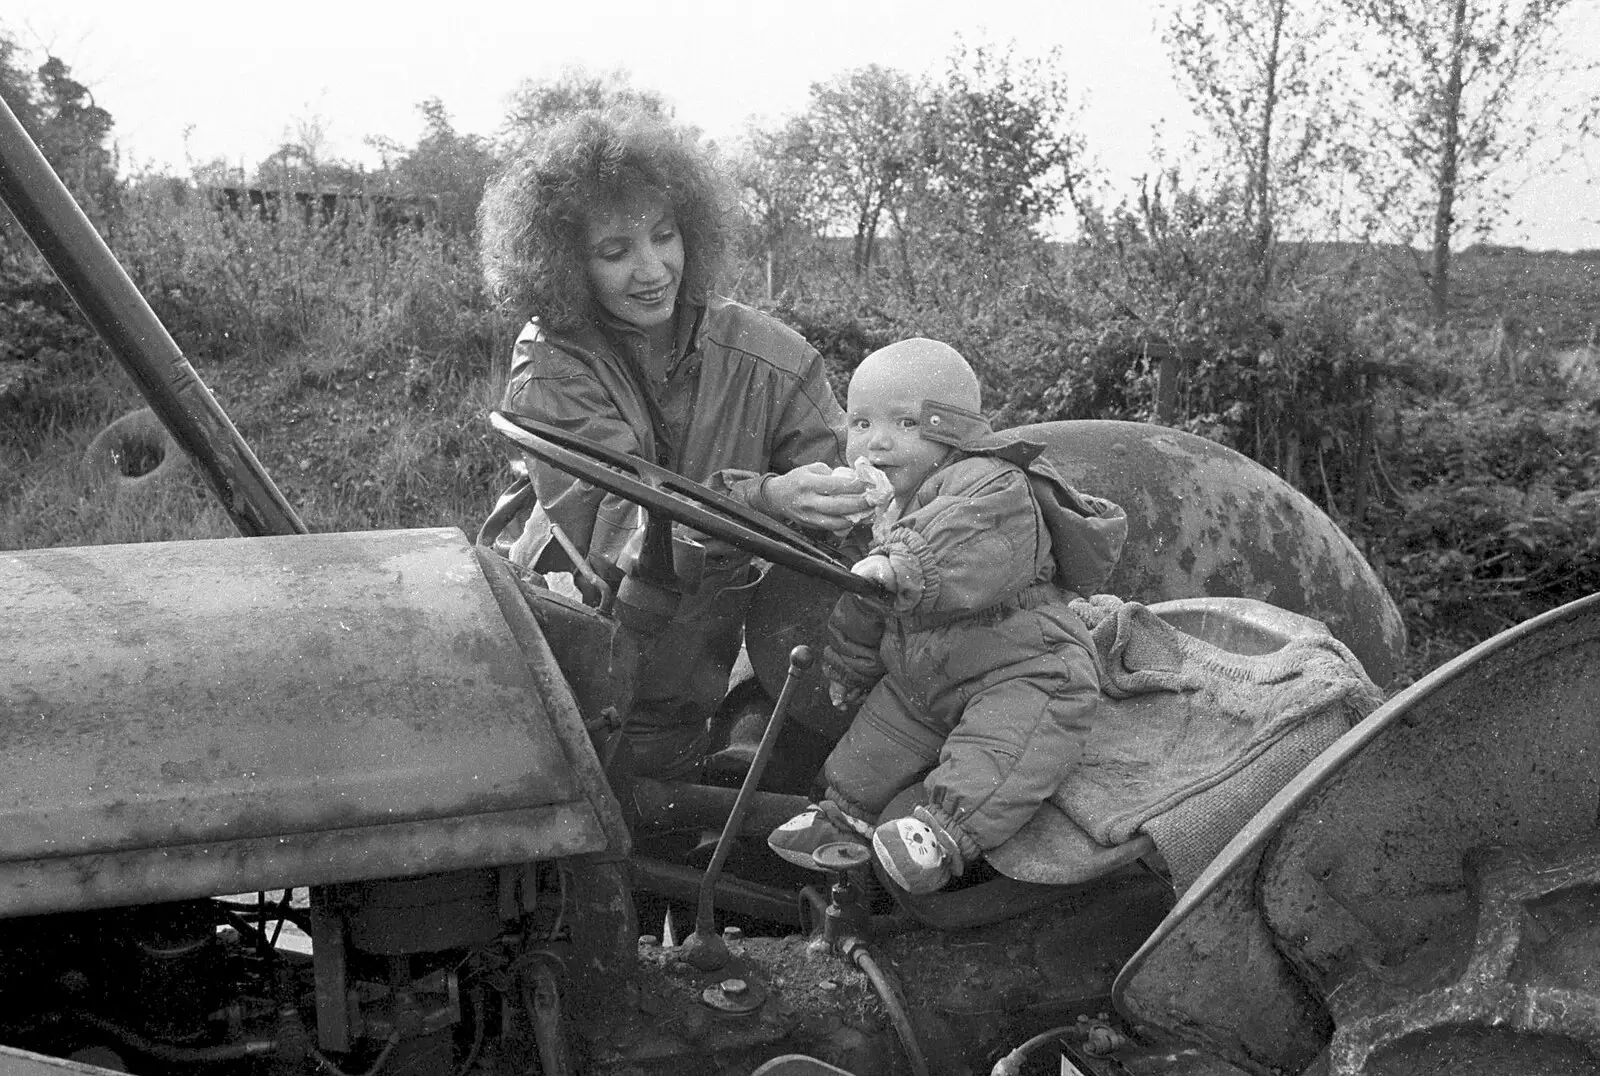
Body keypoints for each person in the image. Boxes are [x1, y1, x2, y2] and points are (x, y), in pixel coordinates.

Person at [478, 107, 869, 778]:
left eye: (664, 236)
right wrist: (770, 499)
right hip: (581, 664)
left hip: (711, 663)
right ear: (566, 265)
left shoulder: (773, 358)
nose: (653, 268)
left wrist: (853, 497)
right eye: (615, 251)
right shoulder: (551, 365)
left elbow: (848, 511)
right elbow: (622, 530)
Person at [767, 338, 1128, 895]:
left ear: (952, 429)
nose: (876, 441)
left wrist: (899, 561)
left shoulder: (990, 483)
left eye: (905, 423)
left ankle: (940, 834)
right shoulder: (890, 507)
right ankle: (845, 815)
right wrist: (850, 667)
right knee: (877, 737)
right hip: (929, 675)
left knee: (1007, 749)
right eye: (860, 423)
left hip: (1022, 667)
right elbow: (864, 596)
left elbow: (957, 543)